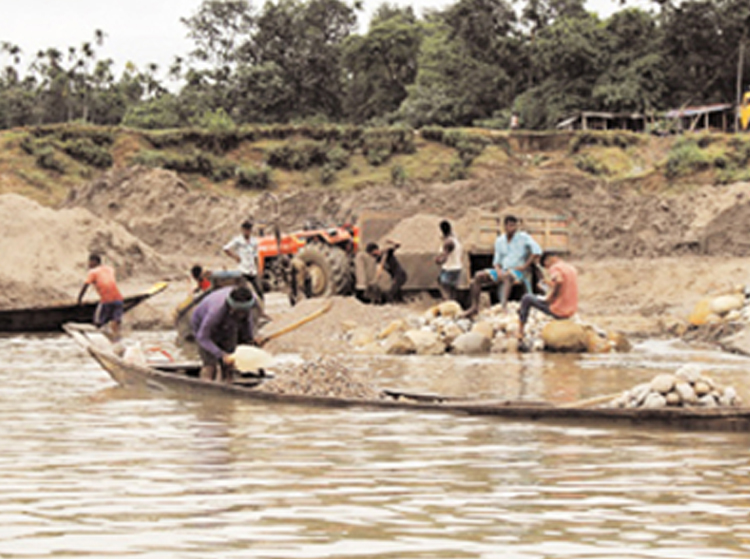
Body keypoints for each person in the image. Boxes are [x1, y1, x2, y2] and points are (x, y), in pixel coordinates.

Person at [462, 215, 541, 317]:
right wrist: (498, 270)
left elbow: (537, 251)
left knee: (508, 276)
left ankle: (503, 307)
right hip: (503, 269)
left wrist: (525, 266)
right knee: (478, 276)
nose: (512, 228)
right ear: (505, 226)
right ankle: (474, 307)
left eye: (514, 225)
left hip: (518, 272)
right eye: (510, 225)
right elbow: (496, 261)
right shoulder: (500, 240)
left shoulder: (523, 237)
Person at [191, 285, 258, 382]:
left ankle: (228, 384)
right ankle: (206, 386)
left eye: (244, 312)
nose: (242, 314)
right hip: (202, 324)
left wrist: (251, 342)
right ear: (232, 307)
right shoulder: (216, 312)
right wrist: (221, 354)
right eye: (239, 312)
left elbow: (247, 325)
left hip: (228, 322)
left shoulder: (249, 304)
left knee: (231, 361)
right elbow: (202, 337)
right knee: (210, 364)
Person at [518, 251, 578, 350]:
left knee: (527, 298)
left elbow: (559, 281)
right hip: (571, 310)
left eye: (546, 266)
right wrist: (549, 284)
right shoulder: (570, 268)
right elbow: (564, 284)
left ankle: (520, 333)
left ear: (549, 260)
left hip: (559, 310)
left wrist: (551, 297)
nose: (548, 269)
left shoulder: (555, 267)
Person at [77, 253, 124, 341]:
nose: (89, 265)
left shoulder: (93, 272)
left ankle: (102, 339)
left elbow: (85, 286)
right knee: (116, 321)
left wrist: (79, 299)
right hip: (118, 299)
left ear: (94, 262)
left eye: (90, 262)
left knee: (98, 322)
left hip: (106, 301)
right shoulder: (110, 269)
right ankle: (116, 339)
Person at [223, 220, 264, 301]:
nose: (247, 231)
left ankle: (261, 309)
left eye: (249, 230)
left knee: (259, 291)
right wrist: (235, 256)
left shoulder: (254, 241)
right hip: (243, 270)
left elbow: (255, 255)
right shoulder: (238, 240)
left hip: (252, 270)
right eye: (246, 229)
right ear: (242, 230)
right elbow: (226, 248)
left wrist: (258, 268)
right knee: (243, 291)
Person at [435, 220, 463, 301]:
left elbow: (444, 258)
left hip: (449, 269)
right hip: (457, 268)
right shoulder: (455, 239)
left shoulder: (448, 242)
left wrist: (438, 260)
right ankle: (453, 304)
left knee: (444, 287)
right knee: (453, 290)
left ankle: (447, 303)